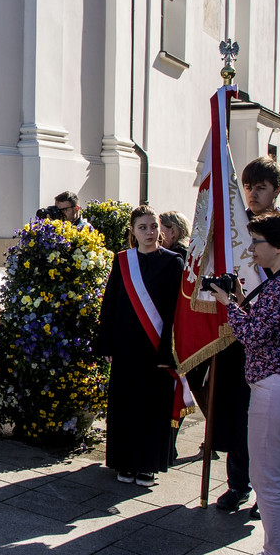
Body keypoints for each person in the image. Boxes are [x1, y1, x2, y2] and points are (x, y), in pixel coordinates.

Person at [194, 156, 280, 516]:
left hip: (278, 349)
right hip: (238, 338)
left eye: (261, 187)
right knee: (239, 416)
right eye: (248, 186)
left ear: (276, 191)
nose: (253, 193)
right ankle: (238, 483)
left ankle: (270, 489)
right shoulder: (235, 228)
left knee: (273, 425)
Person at [209, 211, 280, 555]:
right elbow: (267, 324)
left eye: (257, 242)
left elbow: (252, 335)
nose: (251, 248)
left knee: (266, 481)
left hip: (276, 388)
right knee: (279, 476)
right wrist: (242, 300)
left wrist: (228, 305)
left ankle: (278, 550)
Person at [98, 205, 184, 486]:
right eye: (143, 227)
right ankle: (124, 461)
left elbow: (175, 310)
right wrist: (107, 343)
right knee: (125, 405)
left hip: (156, 348)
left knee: (152, 407)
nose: (150, 232)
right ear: (133, 232)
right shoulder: (123, 260)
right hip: (125, 345)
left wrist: (169, 352)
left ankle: (147, 464)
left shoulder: (173, 262)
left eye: (154, 227)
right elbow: (110, 302)